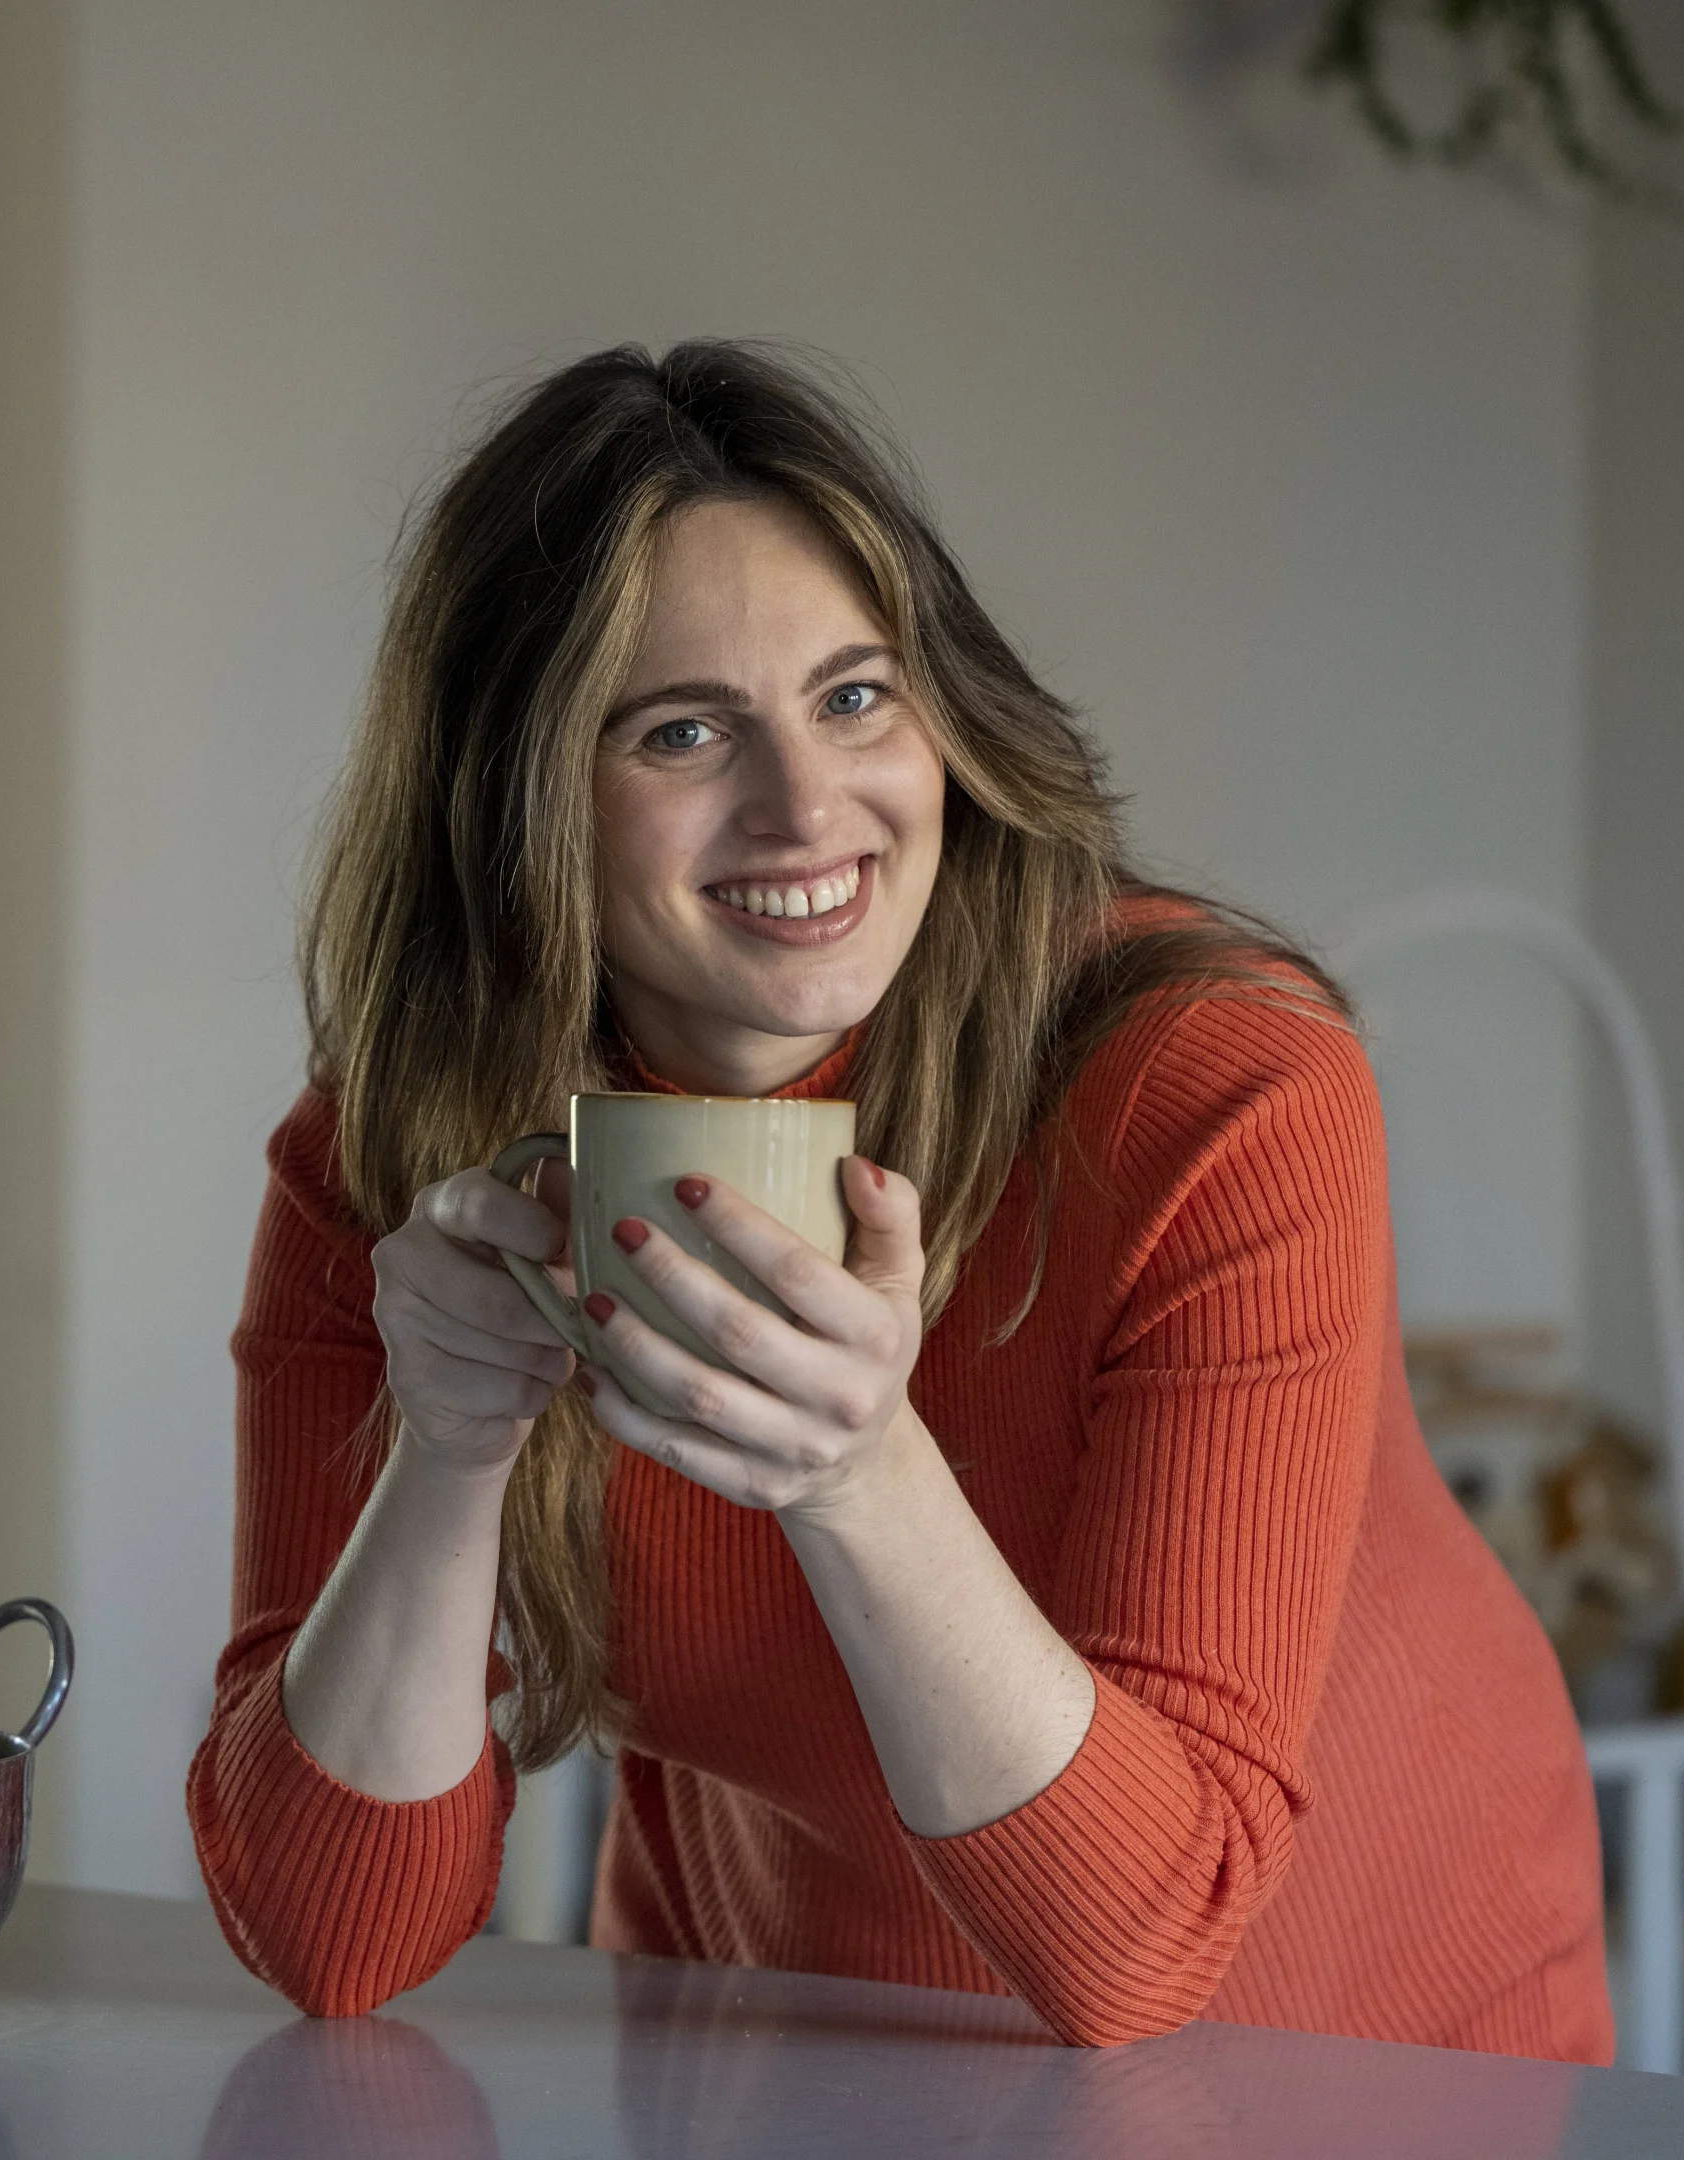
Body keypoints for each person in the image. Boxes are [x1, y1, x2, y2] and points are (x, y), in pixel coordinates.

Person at [185, 341, 1610, 2058]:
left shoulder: (1220, 1089)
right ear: (519, 800)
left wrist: (857, 1479)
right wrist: (450, 1449)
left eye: (857, 696)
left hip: (1357, 2057)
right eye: (686, 729)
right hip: (795, 2051)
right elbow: (332, 1937)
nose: (808, 808)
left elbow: (1141, 1946)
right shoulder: (400, 1168)